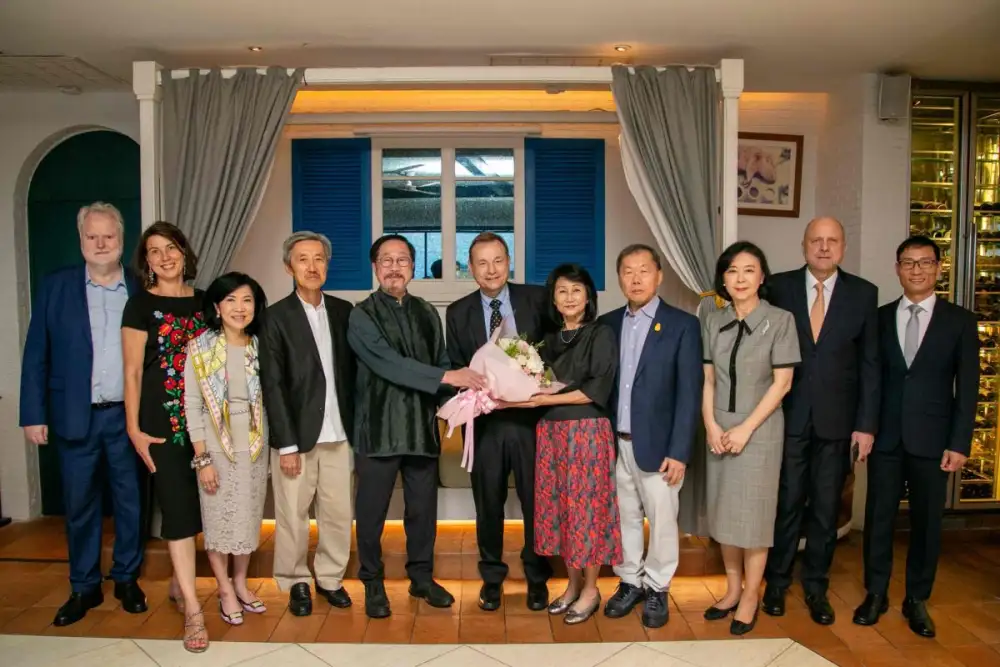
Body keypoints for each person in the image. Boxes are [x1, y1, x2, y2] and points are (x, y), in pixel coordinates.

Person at [19, 202, 146, 627]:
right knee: (80, 506)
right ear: (81, 240)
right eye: (92, 236)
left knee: (131, 502)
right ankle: (84, 586)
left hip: (128, 418)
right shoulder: (56, 286)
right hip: (75, 416)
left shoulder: (140, 287)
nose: (101, 244)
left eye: (108, 236)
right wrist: (33, 414)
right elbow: (36, 353)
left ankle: (127, 579)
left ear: (121, 239)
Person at [347, 234, 487, 619]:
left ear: (412, 267)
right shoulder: (361, 315)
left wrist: (460, 405)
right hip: (377, 429)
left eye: (403, 260)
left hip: (421, 428)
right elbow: (389, 363)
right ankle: (372, 581)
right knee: (372, 513)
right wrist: (449, 376)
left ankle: (422, 578)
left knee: (423, 512)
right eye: (387, 260)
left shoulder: (427, 312)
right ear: (375, 267)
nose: (395, 267)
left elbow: (441, 363)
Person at [853, 236, 978, 638]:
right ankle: (875, 593)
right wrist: (865, 427)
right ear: (898, 269)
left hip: (934, 440)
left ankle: (917, 599)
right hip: (886, 438)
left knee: (927, 524)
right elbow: (870, 378)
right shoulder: (879, 317)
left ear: (938, 268)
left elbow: (969, 388)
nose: (917, 270)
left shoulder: (960, 321)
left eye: (925, 262)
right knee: (878, 519)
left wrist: (959, 443)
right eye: (908, 262)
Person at [762, 216, 880, 626]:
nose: (824, 247)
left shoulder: (863, 294)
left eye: (832, 241)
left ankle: (816, 586)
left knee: (826, 509)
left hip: (838, 422)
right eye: (816, 240)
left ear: (843, 247)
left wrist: (866, 425)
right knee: (786, 503)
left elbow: (870, 364)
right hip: (787, 416)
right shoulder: (779, 287)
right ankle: (776, 582)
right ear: (804, 246)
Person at [501, 263, 622, 625]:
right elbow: (532, 383)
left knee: (587, 513)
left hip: (587, 433)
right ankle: (571, 585)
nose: (570, 298)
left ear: (589, 297)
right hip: (551, 434)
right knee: (562, 512)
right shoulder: (546, 340)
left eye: (576, 290)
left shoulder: (601, 334)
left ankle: (591, 590)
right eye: (562, 291)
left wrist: (546, 399)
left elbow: (595, 390)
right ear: (553, 300)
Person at [445, 232, 553, 612]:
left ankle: (537, 577)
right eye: (482, 263)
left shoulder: (537, 299)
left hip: (531, 423)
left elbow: (554, 354)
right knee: (487, 504)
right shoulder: (457, 312)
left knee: (535, 502)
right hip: (485, 425)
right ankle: (492, 579)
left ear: (509, 262)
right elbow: (456, 367)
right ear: (470, 268)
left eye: (498, 261)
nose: (491, 270)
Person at [598, 244, 703, 629]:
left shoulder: (682, 325)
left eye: (644, 270)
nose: (636, 278)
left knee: (662, 520)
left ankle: (657, 586)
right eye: (628, 271)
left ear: (659, 276)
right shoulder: (607, 324)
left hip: (660, 448)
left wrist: (680, 451)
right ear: (619, 278)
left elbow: (690, 393)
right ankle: (630, 581)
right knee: (624, 516)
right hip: (616, 443)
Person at [701, 241, 799, 636]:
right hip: (720, 428)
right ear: (723, 279)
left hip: (760, 429)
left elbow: (783, 383)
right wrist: (710, 424)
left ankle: (751, 596)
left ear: (761, 277)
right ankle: (731, 590)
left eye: (748, 270)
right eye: (732, 270)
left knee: (754, 516)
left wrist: (746, 428)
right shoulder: (712, 320)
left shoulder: (781, 320)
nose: (740, 278)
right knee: (725, 512)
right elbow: (708, 380)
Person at [259, 232, 356, 617]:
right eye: (303, 259)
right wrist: (285, 444)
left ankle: (330, 577)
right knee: (292, 516)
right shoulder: (274, 317)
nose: (312, 266)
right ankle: (295, 579)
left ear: (327, 265)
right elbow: (273, 384)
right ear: (289, 267)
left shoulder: (345, 311)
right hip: (296, 439)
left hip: (340, 434)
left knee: (337, 513)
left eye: (319, 259)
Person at [122, 221, 208, 653]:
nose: (164, 257)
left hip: (207, 422)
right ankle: (193, 609)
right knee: (176, 508)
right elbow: (133, 372)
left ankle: (180, 581)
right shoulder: (139, 305)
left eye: (171, 247)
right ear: (146, 262)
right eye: (154, 251)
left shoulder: (206, 301)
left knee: (204, 505)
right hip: (161, 423)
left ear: (184, 252)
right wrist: (134, 429)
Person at [184, 272, 270, 626]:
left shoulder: (261, 345)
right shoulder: (200, 348)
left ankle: (241, 583)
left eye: (247, 300)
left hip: (255, 446)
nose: (239, 308)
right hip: (216, 447)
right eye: (231, 300)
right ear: (217, 307)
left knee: (248, 518)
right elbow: (192, 405)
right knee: (219, 521)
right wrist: (202, 459)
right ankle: (223, 589)